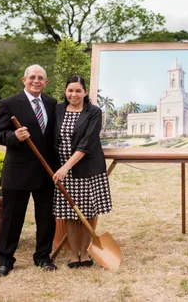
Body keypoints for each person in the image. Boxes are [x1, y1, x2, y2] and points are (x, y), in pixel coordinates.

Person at [0, 64, 58, 277]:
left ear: (46, 82)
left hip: (46, 172)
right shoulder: (9, 104)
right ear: (24, 80)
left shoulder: (52, 104)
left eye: (41, 78)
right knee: (11, 218)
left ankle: (42, 257)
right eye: (32, 77)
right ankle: (5, 260)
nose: (36, 80)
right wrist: (14, 137)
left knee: (46, 219)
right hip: (18, 171)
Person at [52, 75, 112, 268]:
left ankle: (85, 252)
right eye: (70, 90)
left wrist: (66, 166)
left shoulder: (94, 112)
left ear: (85, 92)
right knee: (69, 212)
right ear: (65, 91)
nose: (74, 94)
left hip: (87, 169)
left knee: (88, 210)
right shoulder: (57, 110)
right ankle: (73, 254)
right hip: (63, 170)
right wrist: (61, 167)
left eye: (78, 90)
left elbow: (87, 142)